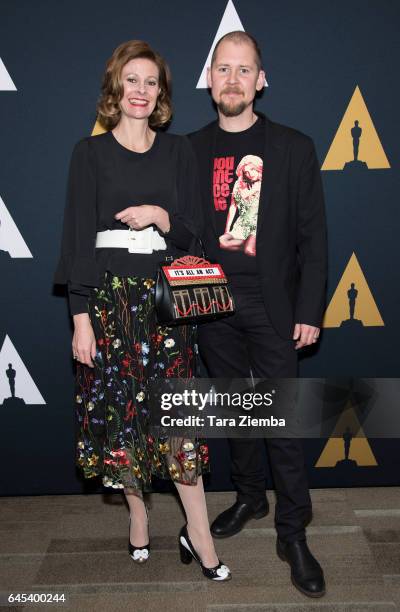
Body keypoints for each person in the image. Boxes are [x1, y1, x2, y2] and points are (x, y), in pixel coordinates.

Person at [54, 40, 231, 582]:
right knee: (123, 416)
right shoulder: (90, 154)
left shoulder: (179, 153)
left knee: (178, 421)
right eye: (131, 80)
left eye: (151, 82)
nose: (140, 91)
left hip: (163, 304)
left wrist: (160, 214)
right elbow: (79, 240)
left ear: (162, 94)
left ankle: (198, 533)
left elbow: (198, 233)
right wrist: (80, 318)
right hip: (107, 304)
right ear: (116, 88)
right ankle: (137, 513)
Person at [188, 31, 328, 597]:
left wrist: (309, 309)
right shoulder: (188, 149)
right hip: (211, 302)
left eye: (244, 70)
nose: (233, 79)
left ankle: (293, 530)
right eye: (224, 69)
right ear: (211, 79)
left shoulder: (294, 147)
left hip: (273, 307)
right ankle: (249, 495)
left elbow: (313, 238)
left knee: (281, 422)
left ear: (260, 81)